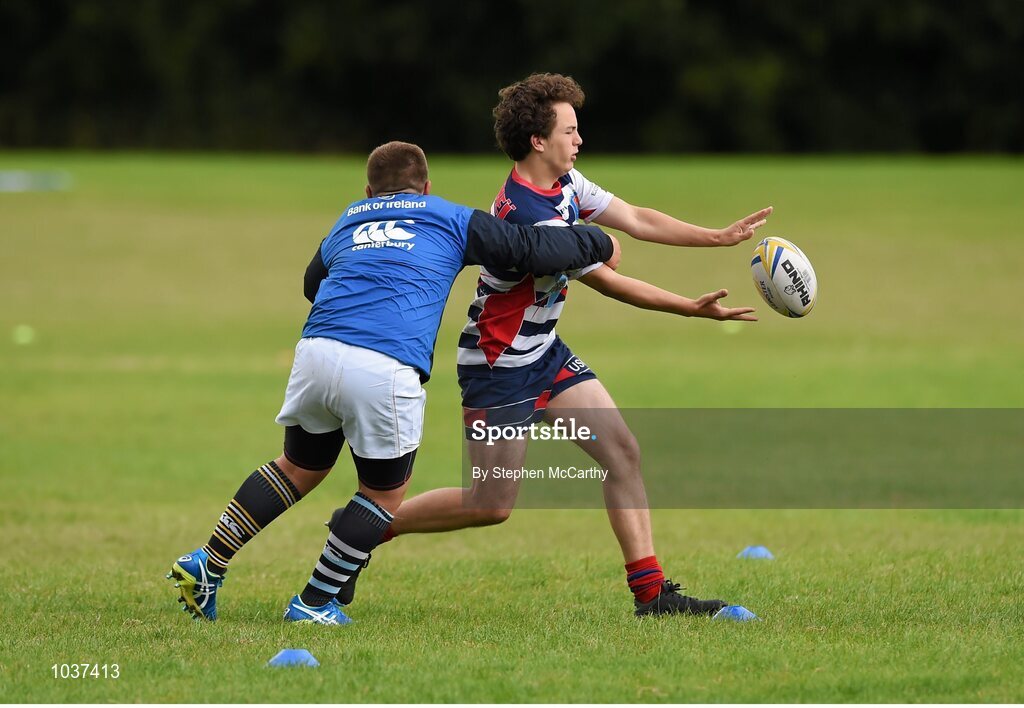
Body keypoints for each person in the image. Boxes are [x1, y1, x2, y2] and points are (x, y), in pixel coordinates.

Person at [167, 140, 620, 624]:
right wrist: (599, 242)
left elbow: (310, 283)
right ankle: (314, 603)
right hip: (384, 363)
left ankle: (209, 560)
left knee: (298, 467)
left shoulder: (350, 218)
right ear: (426, 186)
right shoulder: (447, 216)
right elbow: (530, 248)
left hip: (317, 352)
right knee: (383, 495)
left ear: (369, 190)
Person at [373, 74, 771, 617]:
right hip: (500, 364)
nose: (579, 139)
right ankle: (366, 529)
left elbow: (634, 219)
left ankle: (652, 597)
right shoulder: (526, 213)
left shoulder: (566, 183)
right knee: (490, 506)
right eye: (570, 129)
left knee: (622, 451)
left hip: (544, 353)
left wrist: (716, 237)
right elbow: (612, 281)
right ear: (538, 141)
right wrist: (692, 309)